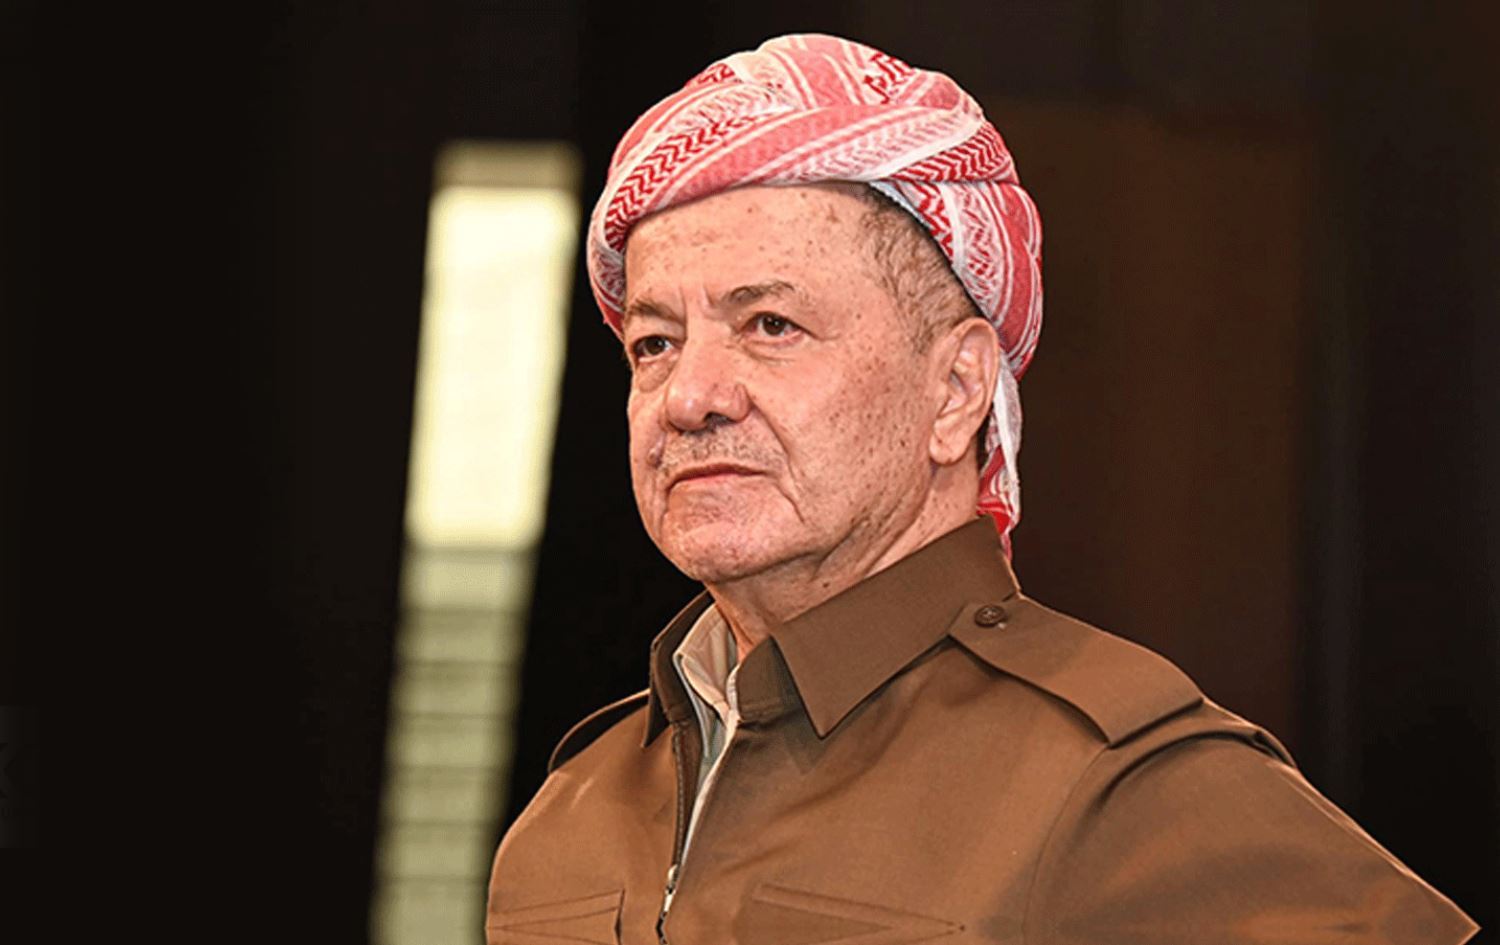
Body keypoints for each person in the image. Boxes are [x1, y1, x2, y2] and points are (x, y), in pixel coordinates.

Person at [486, 34, 1478, 945]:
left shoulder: (1109, 785)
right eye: (654, 342)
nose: (690, 396)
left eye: (771, 326)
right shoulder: (570, 812)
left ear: (956, 389)